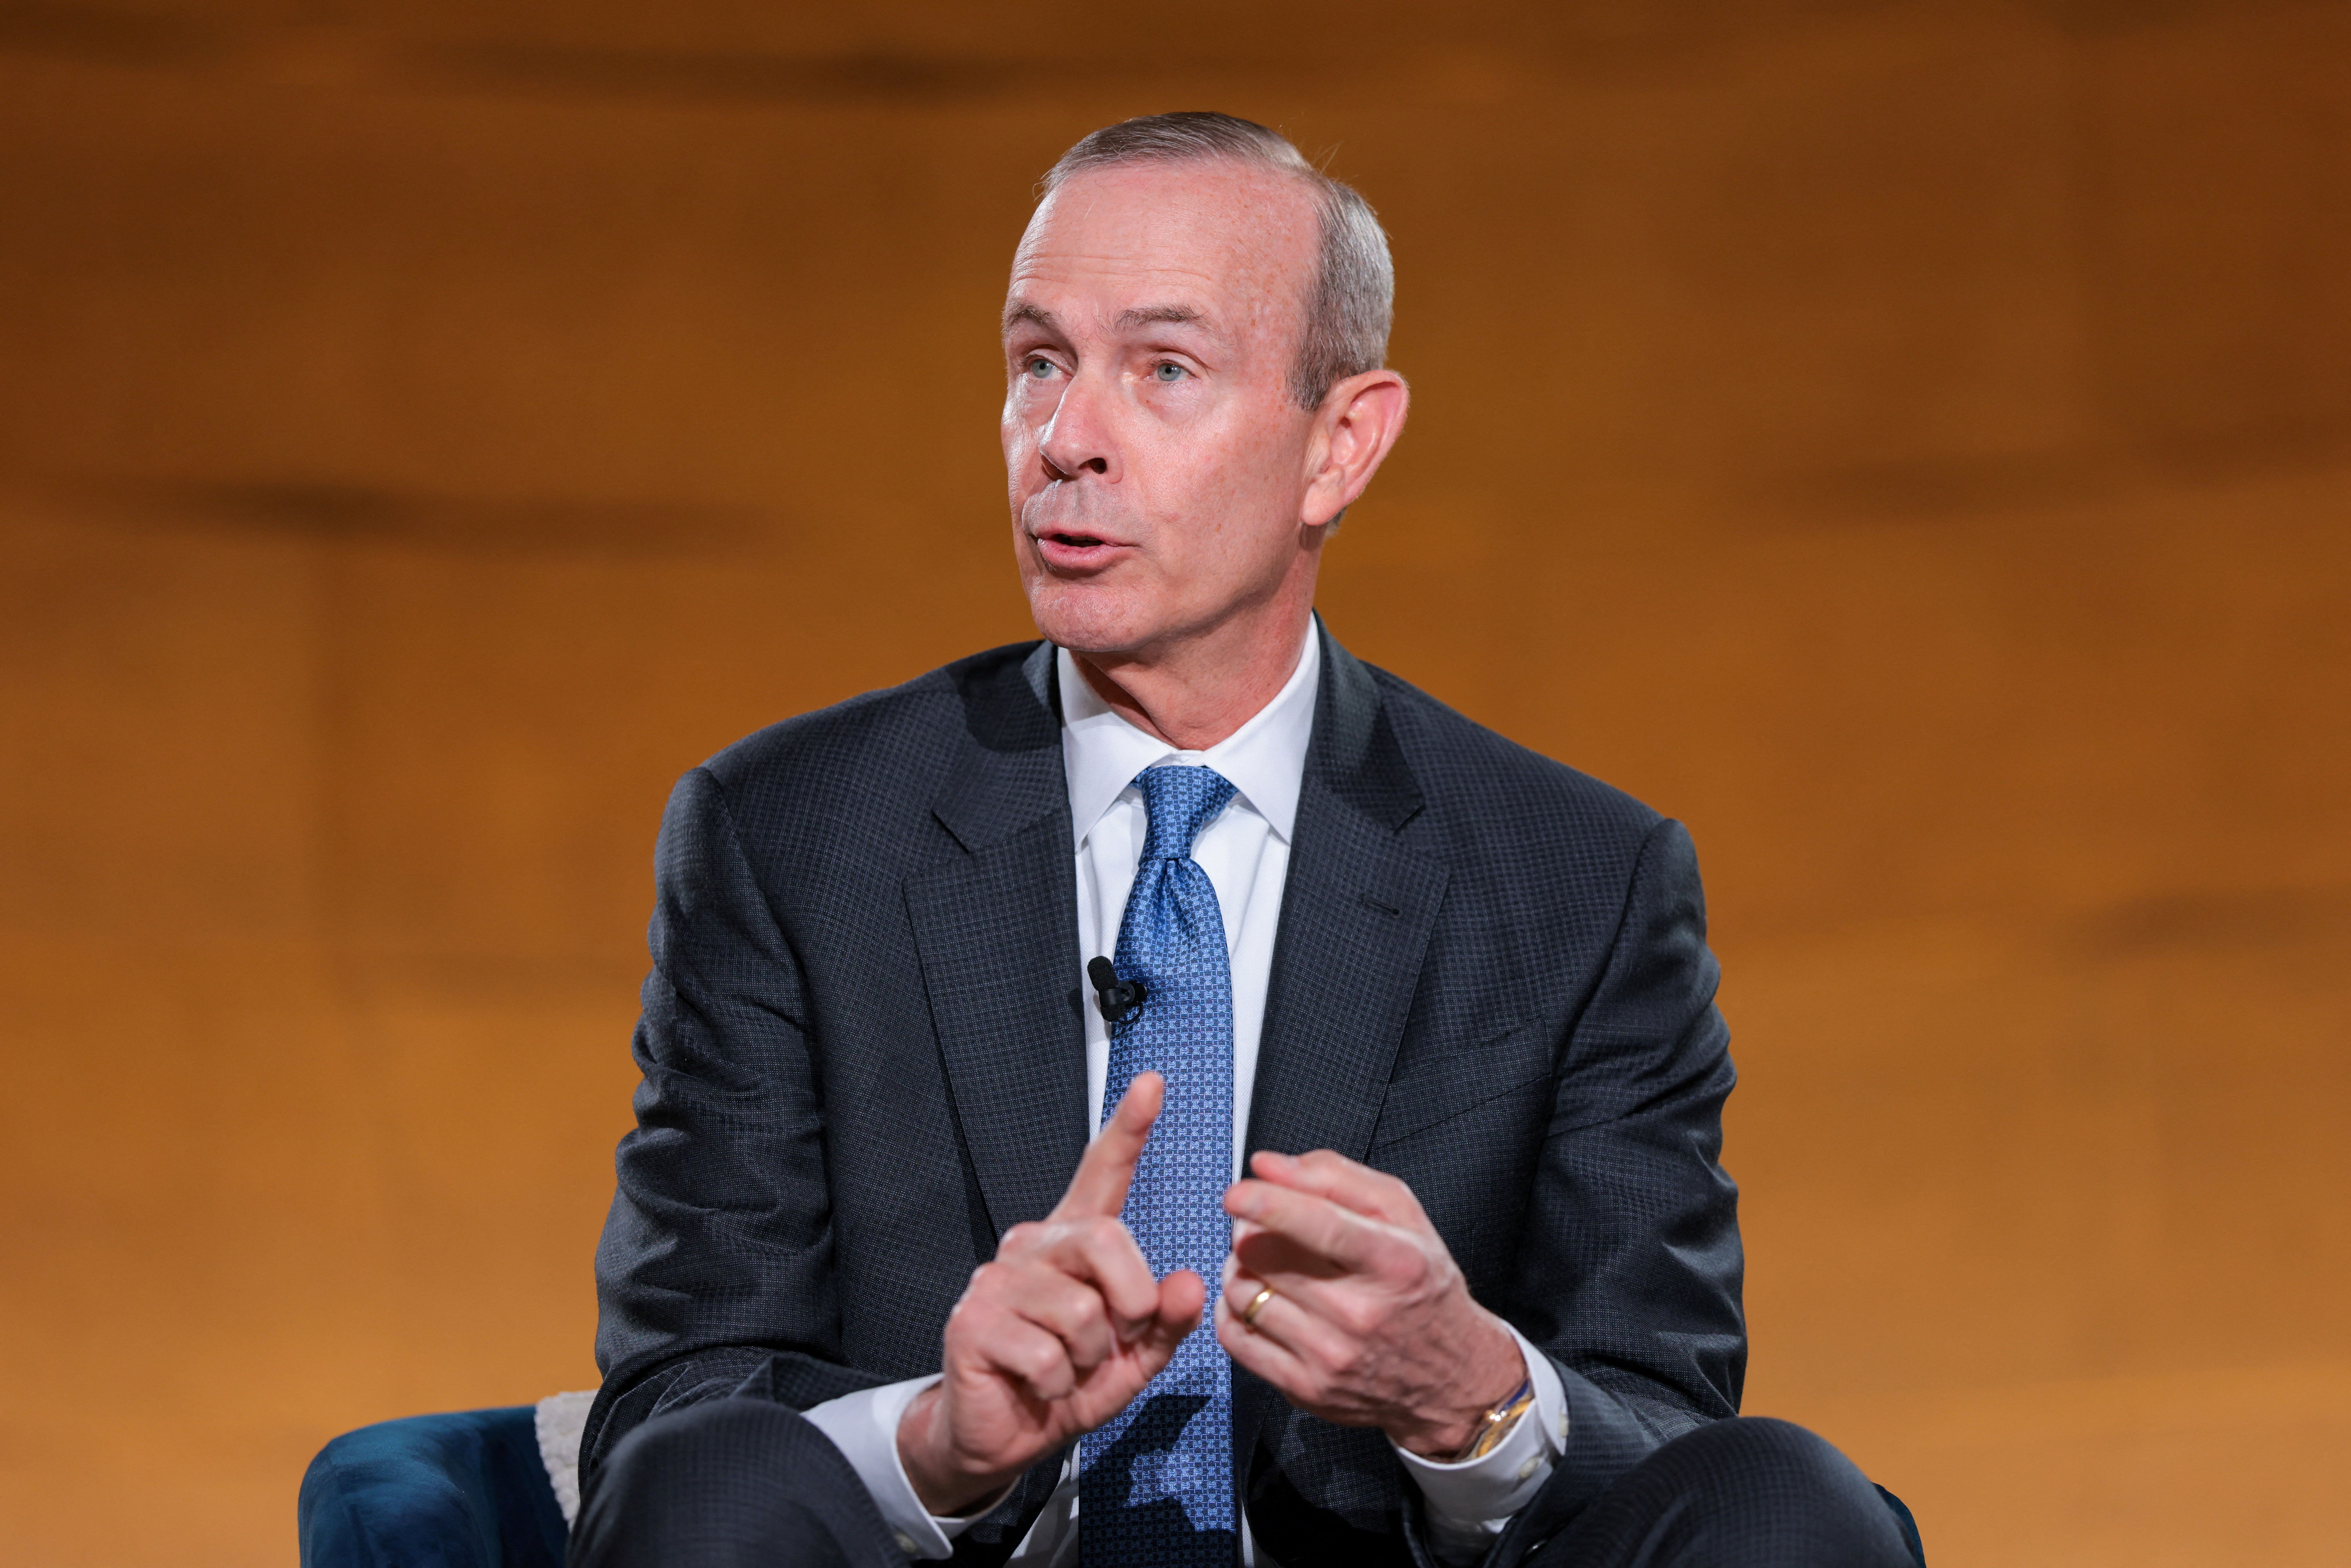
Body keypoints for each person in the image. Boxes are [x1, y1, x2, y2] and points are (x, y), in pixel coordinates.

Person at [571, 112, 1918, 1568]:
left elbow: (1662, 1423)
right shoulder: (789, 837)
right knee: (707, 1491)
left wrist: (1472, 1395)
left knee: (1792, 1502)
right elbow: (675, 1407)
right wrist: (937, 1442)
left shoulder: (1581, 884)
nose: (1066, 440)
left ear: (1340, 444)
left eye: (1163, 369)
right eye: (1038, 362)